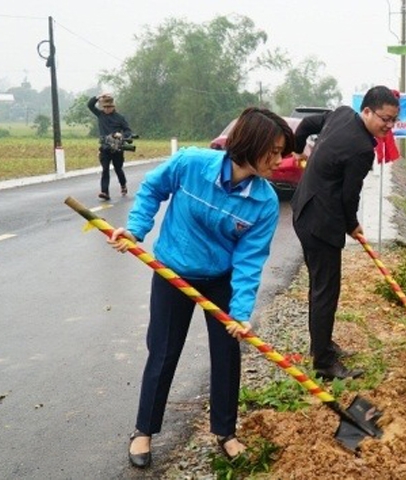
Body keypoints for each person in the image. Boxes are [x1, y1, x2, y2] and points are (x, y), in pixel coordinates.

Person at [106, 107, 294, 469]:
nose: (279, 159)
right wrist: (136, 229)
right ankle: (144, 430)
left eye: (282, 151)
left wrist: (240, 314)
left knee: (226, 354)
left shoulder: (264, 201)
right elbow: (152, 190)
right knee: (162, 352)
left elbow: (249, 260)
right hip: (173, 273)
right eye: (272, 151)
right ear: (249, 144)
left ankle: (226, 432)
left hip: (220, 280)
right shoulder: (191, 163)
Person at [291, 85, 400, 380]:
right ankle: (324, 362)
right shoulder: (363, 149)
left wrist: (298, 146)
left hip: (303, 210)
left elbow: (307, 124)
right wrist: (352, 224)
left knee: (319, 286)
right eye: (385, 119)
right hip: (320, 223)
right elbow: (348, 196)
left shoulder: (340, 114)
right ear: (367, 111)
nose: (389, 127)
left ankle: (321, 345)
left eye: (393, 121)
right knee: (327, 291)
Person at [87, 93, 133, 201]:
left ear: (113, 107)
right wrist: (99, 96)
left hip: (117, 148)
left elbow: (128, 131)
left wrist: (121, 135)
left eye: (109, 107)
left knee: (118, 169)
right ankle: (105, 192)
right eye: (105, 107)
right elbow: (90, 105)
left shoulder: (120, 118)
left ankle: (123, 185)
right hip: (104, 148)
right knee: (105, 170)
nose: (107, 109)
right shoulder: (100, 115)